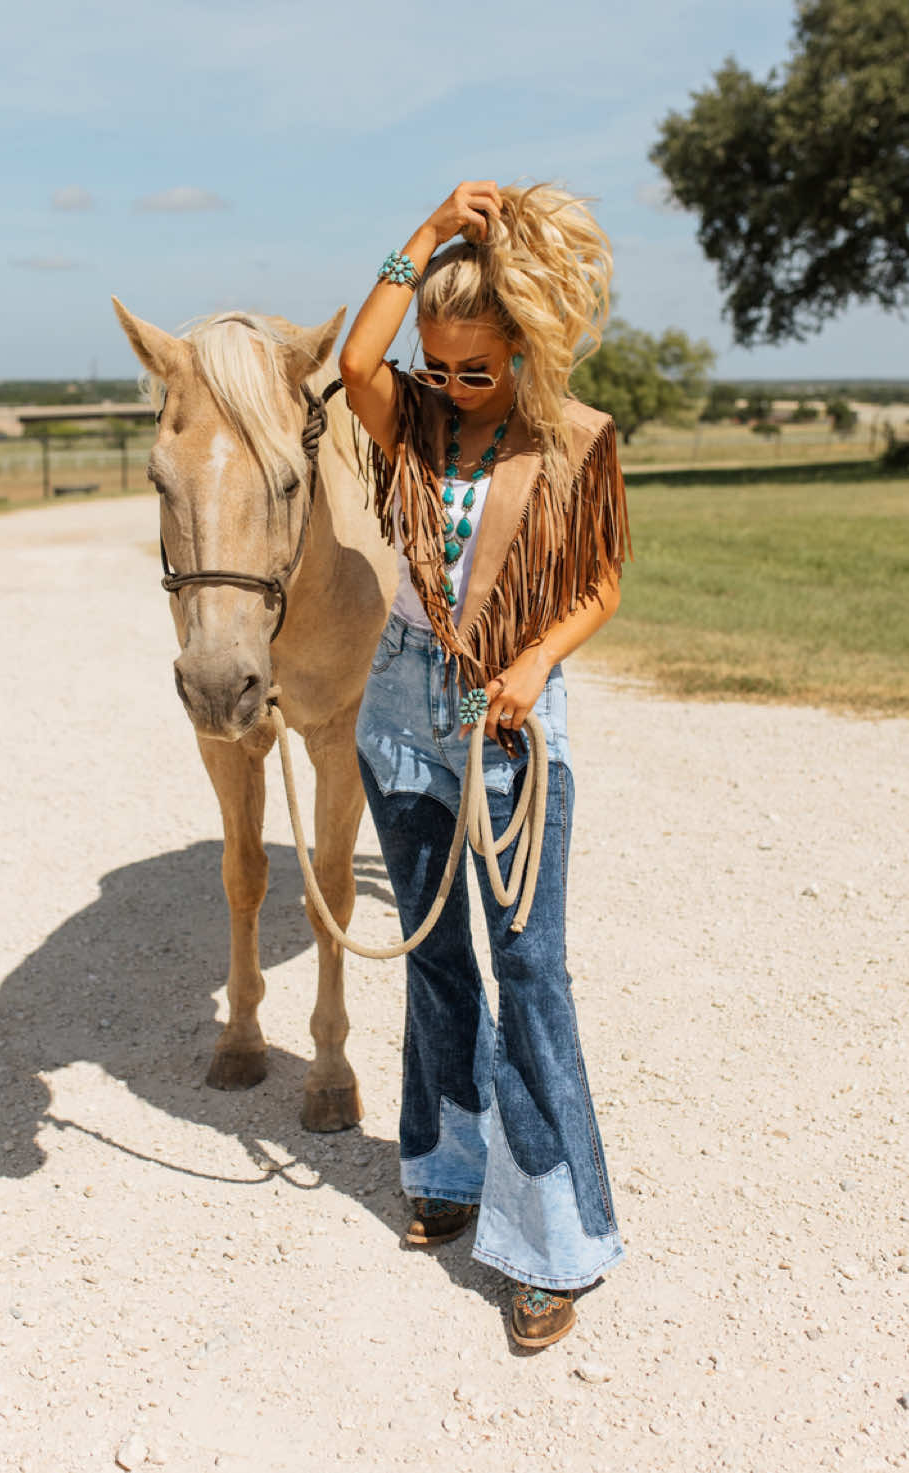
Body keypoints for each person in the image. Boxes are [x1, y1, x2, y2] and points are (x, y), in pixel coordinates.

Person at [338, 180, 630, 1348]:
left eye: (477, 370)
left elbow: (602, 583)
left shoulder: (579, 440)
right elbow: (355, 359)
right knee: (434, 952)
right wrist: (424, 235)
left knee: (530, 966)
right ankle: (448, 1169)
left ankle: (555, 1242)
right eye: (439, 367)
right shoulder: (408, 420)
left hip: (509, 711)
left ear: (522, 347)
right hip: (400, 701)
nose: (453, 387)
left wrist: (535, 662)